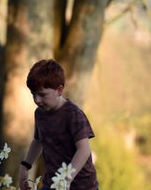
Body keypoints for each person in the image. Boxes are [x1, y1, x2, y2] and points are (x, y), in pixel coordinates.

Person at [18, 59, 98, 190]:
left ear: (59, 90)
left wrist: (67, 178)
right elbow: (38, 141)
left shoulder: (73, 114)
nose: (37, 100)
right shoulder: (39, 113)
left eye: (42, 95)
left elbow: (84, 150)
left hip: (81, 186)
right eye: (34, 94)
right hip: (52, 183)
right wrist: (25, 166)